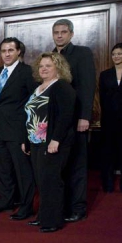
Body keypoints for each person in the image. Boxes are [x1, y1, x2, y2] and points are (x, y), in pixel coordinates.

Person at [25, 52, 76, 233]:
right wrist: (26, 139)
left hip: (52, 142)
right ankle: (43, 216)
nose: (44, 69)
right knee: (42, 181)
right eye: (41, 66)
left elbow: (66, 116)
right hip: (36, 141)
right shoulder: (39, 87)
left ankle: (53, 221)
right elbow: (31, 115)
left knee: (51, 181)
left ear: (58, 68)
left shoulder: (61, 86)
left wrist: (55, 139)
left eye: (49, 66)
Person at [51, 18, 96, 222]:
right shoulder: (50, 56)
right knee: (60, 165)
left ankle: (78, 207)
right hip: (56, 120)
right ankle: (62, 205)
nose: (59, 35)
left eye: (63, 32)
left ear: (71, 34)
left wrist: (85, 116)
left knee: (77, 164)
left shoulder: (82, 53)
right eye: (56, 32)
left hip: (77, 118)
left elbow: (87, 86)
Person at [0, 37, 37, 220]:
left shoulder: (27, 72)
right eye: (3, 51)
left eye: (10, 50)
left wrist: (28, 133)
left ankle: (26, 207)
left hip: (18, 130)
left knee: (23, 171)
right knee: (3, 170)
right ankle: (6, 200)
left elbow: (33, 102)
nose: (7, 54)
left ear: (19, 51)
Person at [98, 43, 122, 194]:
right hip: (109, 119)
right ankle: (108, 185)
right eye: (113, 54)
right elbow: (102, 97)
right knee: (107, 152)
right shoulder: (105, 75)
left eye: (119, 53)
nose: (116, 57)